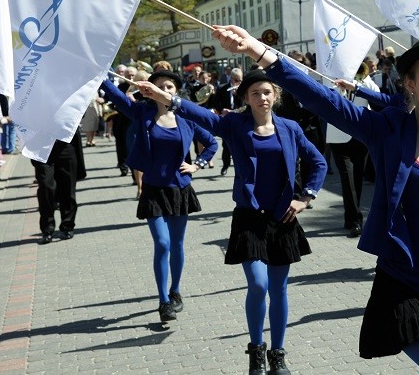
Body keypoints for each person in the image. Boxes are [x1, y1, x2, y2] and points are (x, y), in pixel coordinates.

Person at [210, 26, 419, 375]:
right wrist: (261, 53)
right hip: (403, 286)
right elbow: (325, 100)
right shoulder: (388, 131)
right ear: (410, 84)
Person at [137, 67, 326, 375]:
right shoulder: (236, 125)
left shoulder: (290, 128)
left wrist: (305, 198)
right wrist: (165, 97)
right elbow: (204, 117)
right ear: (246, 99)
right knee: (258, 283)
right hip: (249, 218)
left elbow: (318, 161)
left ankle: (278, 354)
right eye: (255, 93)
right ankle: (256, 351)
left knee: (279, 290)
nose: (262, 98)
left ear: (275, 96)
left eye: (267, 92)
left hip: (283, 218)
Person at [100, 70, 218, 323]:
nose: (165, 89)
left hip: (180, 189)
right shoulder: (142, 112)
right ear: (150, 91)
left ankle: (175, 291)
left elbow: (212, 143)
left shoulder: (186, 117)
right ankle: (163, 301)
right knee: (162, 243)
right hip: (153, 189)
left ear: (175, 91)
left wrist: (197, 164)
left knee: (177, 244)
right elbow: (117, 97)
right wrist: (99, 74)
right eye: (159, 86)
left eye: (170, 86)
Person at [329, 62, 380, 238]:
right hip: (338, 136)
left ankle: (349, 217)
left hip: (361, 136)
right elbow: (330, 98)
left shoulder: (365, 80)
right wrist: (341, 85)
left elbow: (376, 95)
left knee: (357, 178)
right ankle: (355, 221)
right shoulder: (331, 78)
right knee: (347, 179)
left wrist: (362, 79)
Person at [32, 133, 82, 243]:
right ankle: (47, 229)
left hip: (65, 144)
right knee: (46, 187)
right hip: (42, 147)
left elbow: (80, 115)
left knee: (67, 188)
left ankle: (67, 226)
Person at [211, 67, 243, 176]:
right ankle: (225, 165)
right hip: (226, 119)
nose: (237, 82)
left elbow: (245, 105)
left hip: (239, 119)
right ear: (231, 78)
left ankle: (240, 168)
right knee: (226, 144)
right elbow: (215, 103)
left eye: (240, 80)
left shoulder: (243, 90)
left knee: (240, 145)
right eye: (236, 80)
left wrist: (237, 95)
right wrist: (221, 111)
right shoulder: (223, 88)